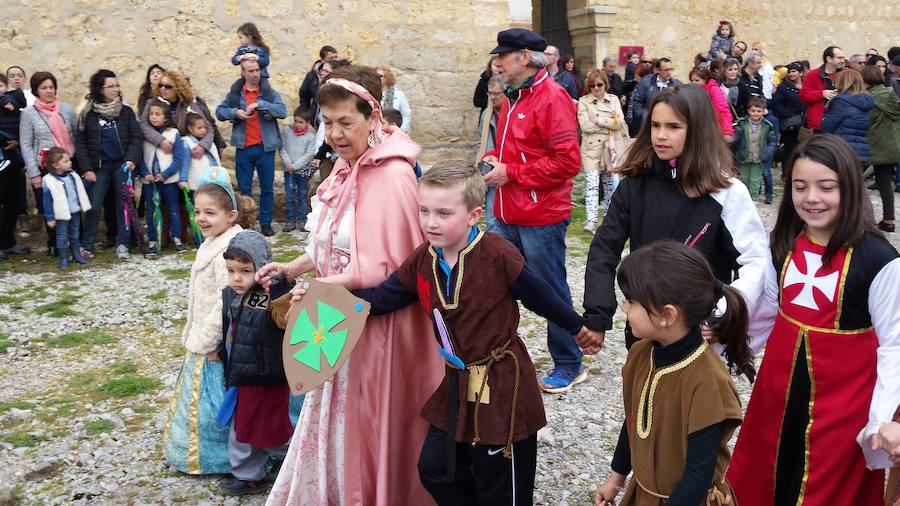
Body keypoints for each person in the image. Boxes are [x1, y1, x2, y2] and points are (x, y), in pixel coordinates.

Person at [331, 160, 591, 506]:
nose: (430, 222)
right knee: (436, 469)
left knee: (501, 483)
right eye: (424, 211)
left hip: (501, 384)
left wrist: (578, 328)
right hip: (456, 384)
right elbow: (379, 300)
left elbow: (540, 296)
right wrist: (325, 300)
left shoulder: (498, 254)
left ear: (473, 215)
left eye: (443, 213)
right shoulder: (423, 260)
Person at [259, 65, 443, 506]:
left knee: (366, 421)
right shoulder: (346, 168)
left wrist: (322, 287)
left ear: (373, 116)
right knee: (332, 417)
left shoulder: (392, 175)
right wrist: (296, 266)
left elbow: (391, 266)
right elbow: (335, 242)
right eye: (328, 123)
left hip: (378, 327)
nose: (336, 133)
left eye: (347, 122)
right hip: (337, 315)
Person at [727, 134, 900, 505]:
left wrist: (882, 417)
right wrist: (727, 350)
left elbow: (894, 344)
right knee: (769, 470)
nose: (812, 198)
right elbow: (770, 311)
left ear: (849, 189)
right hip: (778, 391)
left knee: (827, 486)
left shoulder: (878, 259)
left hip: (843, 405)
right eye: (800, 186)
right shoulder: (783, 242)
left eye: (826, 187)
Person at [583, 84, 769, 351]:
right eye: (655, 125)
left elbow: (755, 262)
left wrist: (722, 312)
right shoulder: (635, 185)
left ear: (697, 130)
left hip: (700, 332)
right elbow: (604, 248)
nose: (660, 135)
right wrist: (597, 315)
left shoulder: (727, 191)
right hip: (645, 327)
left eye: (673, 127)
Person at [591, 242, 753, 505]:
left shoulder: (707, 381)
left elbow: (697, 477)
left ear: (667, 315)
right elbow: (633, 421)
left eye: (631, 302)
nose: (624, 308)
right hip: (643, 494)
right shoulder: (641, 354)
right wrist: (615, 480)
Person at [480, 28, 585, 393]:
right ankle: (493, 353)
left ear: (523, 58)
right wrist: (496, 160)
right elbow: (522, 152)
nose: (497, 62)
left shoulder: (552, 98)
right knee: (495, 282)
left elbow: (567, 163)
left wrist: (512, 172)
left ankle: (570, 361)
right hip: (507, 212)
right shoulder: (512, 98)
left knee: (548, 288)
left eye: (503, 56)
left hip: (540, 216)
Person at [162, 167, 256, 476]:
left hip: (217, 342)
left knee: (216, 406)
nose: (201, 218)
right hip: (202, 334)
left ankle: (224, 457)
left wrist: (211, 341)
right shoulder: (211, 241)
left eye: (210, 212)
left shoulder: (229, 249)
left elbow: (225, 302)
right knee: (205, 403)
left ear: (231, 215)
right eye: (198, 211)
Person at [216, 230, 297, 496]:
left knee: (270, 428)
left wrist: (280, 289)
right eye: (231, 270)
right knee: (241, 426)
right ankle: (249, 476)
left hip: (267, 376)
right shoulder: (231, 294)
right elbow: (229, 330)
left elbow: (287, 320)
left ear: (260, 269)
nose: (236, 278)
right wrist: (221, 351)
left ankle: (299, 461)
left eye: (245, 270)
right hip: (240, 375)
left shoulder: (273, 295)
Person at [75, 69, 143, 259]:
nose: (116, 89)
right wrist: (86, 168)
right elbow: (80, 142)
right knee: (94, 205)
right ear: (100, 89)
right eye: (110, 86)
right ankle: (87, 245)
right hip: (99, 167)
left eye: (116, 85)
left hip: (122, 165)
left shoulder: (126, 111)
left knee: (124, 205)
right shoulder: (88, 114)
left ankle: (123, 243)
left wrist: (131, 159)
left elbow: (136, 137)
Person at [216, 59, 287, 236]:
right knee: (244, 189)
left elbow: (282, 111)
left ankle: (266, 223)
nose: (255, 74)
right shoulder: (236, 93)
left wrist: (261, 104)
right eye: (251, 71)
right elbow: (220, 111)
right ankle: (247, 223)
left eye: (257, 70)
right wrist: (235, 113)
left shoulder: (268, 93)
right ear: (243, 73)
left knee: (267, 189)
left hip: (265, 148)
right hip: (244, 148)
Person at [19, 71, 77, 257]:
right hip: (45, 168)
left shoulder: (66, 109)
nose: (48, 91)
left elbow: (75, 136)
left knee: (72, 204)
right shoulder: (29, 113)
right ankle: (55, 243)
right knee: (50, 207)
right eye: (44, 88)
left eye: (51, 87)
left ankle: (75, 241)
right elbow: (26, 144)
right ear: (36, 90)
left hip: (68, 165)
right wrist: (34, 174)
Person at [577, 69, 628, 231]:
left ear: (605, 84)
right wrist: (609, 123)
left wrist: (598, 120)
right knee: (591, 184)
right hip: (591, 150)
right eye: (592, 86)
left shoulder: (612, 100)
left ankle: (607, 219)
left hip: (610, 147)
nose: (596, 88)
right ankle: (591, 221)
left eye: (599, 85)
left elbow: (620, 122)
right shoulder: (583, 101)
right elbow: (585, 126)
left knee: (609, 185)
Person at [141, 98, 189, 256]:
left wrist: (166, 174)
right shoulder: (145, 134)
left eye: (157, 114)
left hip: (169, 180)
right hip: (149, 180)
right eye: (151, 114)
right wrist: (145, 173)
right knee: (151, 211)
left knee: (173, 209)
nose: (153, 117)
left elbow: (179, 158)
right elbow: (140, 157)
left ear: (166, 117)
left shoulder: (173, 133)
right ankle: (153, 240)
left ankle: (176, 238)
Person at [862, 64, 900, 233]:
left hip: (873, 146)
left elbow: (864, 122)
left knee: (852, 179)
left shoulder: (868, 98)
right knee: (885, 184)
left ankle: (860, 220)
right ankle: (889, 220)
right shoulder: (892, 94)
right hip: (892, 146)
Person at [41, 147, 91, 269]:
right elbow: (47, 201)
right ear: (55, 165)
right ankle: (64, 258)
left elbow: (79, 188)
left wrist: (88, 181)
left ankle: (77, 255)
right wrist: (50, 218)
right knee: (62, 236)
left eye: (69, 160)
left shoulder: (73, 176)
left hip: (74, 211)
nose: (70, 163)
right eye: (66, 161)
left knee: (75, 234)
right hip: (61, 214)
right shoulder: (49, 180)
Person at [0, 73, 27, 260]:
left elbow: (21, 125)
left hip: (14, 158)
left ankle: (8, 242)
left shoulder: (13, 102)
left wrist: (17, 141)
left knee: (13, 202)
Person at [821, 69, 874, 163]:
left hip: (842, 149)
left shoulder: (841, 102)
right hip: (862, 150)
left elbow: (827, 125)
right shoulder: (866, 101)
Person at [279, 107, 316, 232]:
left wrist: (295, 166)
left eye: (301, 122)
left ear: (307, 123)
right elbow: (282, 148)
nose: (297, 124)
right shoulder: (286, 132)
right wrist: (288, 164)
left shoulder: (311, 136)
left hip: (302, 171)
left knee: (302, 195)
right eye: (295, 121)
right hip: (288, 171)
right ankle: (291, 220)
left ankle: (303, 220)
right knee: (290, 196)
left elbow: (310, 153)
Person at [733, 97, 777, 201]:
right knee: (743, 179)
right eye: (753, 111)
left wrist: (768, 152)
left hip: (759, 157)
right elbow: (736, 138)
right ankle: (743, 199)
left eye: (759, 111)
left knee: (755, 180)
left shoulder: (767, 125)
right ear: (748, 111)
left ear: (763, 111)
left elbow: (773, 140)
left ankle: (753, 198)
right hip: (744, 156)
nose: (756, 113)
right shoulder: (742, 123)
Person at [476, 75, 505, 231]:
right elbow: (482, 141)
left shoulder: (512, 112)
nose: (492, 97)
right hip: (491, 166)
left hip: (508, 165)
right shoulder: (487, 114)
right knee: (492, 214)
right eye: (490, 93)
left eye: (496, 93)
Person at [800, 46, 845, 132]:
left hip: (841, 122)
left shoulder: (847, 74)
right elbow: (803, 96)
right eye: (839, 58)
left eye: (843, 58)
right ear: (829, 59)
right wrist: (822, 94)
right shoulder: (812, 75)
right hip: (819, 124)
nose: (843, 61)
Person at [770, 61, 805, 163]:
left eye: (794, 71)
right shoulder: (783, 87)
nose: (791, 74)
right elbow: (777, 104)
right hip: (789, 123)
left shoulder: (806, 86)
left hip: (804, 124)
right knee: (789, 150)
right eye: (789, 72)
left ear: (801, 73)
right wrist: (790, 116)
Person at [689, 66, 734, 142]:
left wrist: (727, 131)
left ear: (705, 80)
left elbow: (723, 110)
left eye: (697, 80)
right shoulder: (692, 92)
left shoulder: (714, 90)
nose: (693, 83)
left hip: (712, 131)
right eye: (692, 80)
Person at [632, 57, 680, 124]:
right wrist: (644, 116)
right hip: (649, 122)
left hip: (669, 121)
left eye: (670, 69)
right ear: (658, 70)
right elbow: (637, 102)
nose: (669, 72)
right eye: (666, 70)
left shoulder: (677, 84)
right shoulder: (646, 82)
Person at [183, 113, 221, 193]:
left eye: (204, 127)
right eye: (199, 128)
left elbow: (217, 161)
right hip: (197, 183)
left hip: (213, 181)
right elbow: (184, 163)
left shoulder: (211, 143)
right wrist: (183, 179)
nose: (203, 130)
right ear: (190, 128)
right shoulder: (187, 142)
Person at [298, 45, 338, 120]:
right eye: (331, 58)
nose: (334, 60)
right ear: (322, 60)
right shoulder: (312, 76)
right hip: (317, 118)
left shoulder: (342, 74)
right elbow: (304, 95)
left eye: (336, 57)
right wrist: (306, 115)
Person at [376, 66, 411, 133]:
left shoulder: (398, 94)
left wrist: (401, 130)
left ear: (387, 78)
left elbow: (406, 114)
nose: (377, 78)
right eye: (375, 76)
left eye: (380, 76)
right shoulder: (371, 93)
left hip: (395, 133)